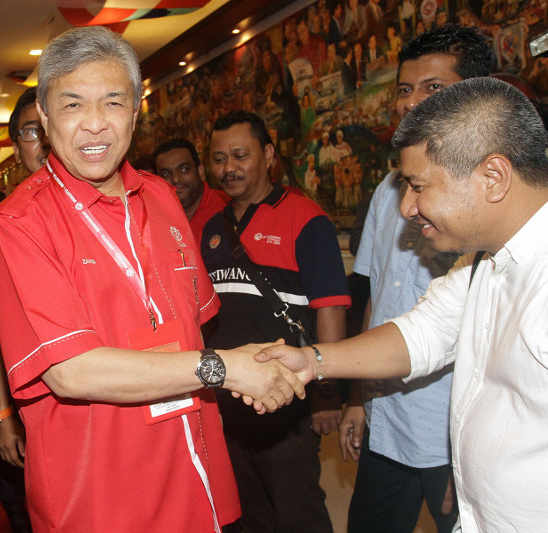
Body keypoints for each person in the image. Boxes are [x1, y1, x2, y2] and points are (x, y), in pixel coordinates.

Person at [0, 26, 301, 533]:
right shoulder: (16, 227)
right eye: (72, 106)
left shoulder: (161, 197)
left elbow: (196, 327)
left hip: (200, 479)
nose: (94, 126)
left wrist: (255, 367)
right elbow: (72, 372)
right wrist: (226, 369)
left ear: (135, 111)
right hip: (103, 502)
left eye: (112, 102)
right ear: (43, 118)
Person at [256, 76, 548, 533]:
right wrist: (312, 361)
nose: (408, 207)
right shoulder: (480, 259)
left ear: (493, 177)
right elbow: (423, 333)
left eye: (418, 185)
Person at [342, 24, 493, 533]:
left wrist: (476, 456)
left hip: (454, 433)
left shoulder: (497, 196)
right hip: (388, 421)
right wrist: (356, 398)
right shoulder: (389, 191)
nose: (413, 103)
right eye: (405, 89)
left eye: (434, 88)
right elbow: (377, 298)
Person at [200, 110, 350, 532]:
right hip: (228, 398)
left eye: (239, 155)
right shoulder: (213, 227)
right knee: (246, 515)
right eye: (218, 158)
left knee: (297, 511)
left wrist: (326, 393)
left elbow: (331, 307)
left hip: (286, 399)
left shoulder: (307, 219)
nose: (228, 168)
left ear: (267, 155)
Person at [0, 86, 52, 533]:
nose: (45, 140)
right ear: (18, 148)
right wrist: (2, 416)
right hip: (40, 407)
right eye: (31, 131)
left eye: (51, 122)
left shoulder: (120, 204)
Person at [153, 138, 228, 243]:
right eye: (166, 174)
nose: (175, 179)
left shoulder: (228, 206)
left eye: (184, 169)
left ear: (201, 171)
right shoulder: (154, 219)